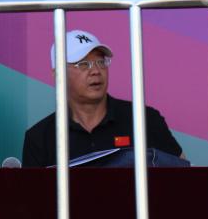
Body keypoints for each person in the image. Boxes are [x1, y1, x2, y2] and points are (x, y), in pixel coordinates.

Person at [21, 29, 183, 167]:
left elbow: (184, 176)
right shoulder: (40, 137)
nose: (96, 71)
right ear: (58, 75)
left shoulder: (144, 119)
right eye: (83, 64)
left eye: (101, 62)